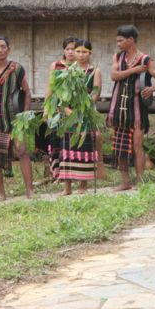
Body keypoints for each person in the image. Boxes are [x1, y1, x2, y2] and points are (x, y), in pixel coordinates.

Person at [107, 25, 155, 190]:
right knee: (121, 146)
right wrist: (134, 70)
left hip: (137, 108)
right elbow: (114, 76)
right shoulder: (118, 57)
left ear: (131, 40)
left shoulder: (146, 59)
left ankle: (140, 182)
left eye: (120, 40)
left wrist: (152, 89)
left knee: (137, 144)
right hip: (119, 107)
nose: (118, 44)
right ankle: (124, 182)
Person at [0, 35, 33, 200]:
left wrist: (24, 116)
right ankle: (1, 194)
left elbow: (28, 93)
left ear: (8, 50)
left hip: (14, 119)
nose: (0, 50)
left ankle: (29, 190)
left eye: (3, 47)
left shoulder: (16, 68)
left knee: (22, 150)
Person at [51, 39, 102, 195]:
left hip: (86, 114)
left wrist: (84, 107)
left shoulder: (95, 71)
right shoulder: (67, 70)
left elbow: (95, 93)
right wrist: (66, 110)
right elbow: (60, 94)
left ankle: (83, 185)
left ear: (90, 53)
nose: (80, 55)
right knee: (67, 148)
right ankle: (67, 188)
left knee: (84, 146)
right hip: (69, 115)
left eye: (84, 52)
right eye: (78, 51)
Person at [37, 36, 78, 180]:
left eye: (73, 49)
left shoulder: (80, 67)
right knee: (56, 139)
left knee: (72, 140)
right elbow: (50, 86)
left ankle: (72, 173)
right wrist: (47, 108)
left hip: (74, 108)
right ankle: (57, 174)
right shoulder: (56, 65)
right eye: (67, 49)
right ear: (63, 51)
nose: (70, 52)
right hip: (57, 107)